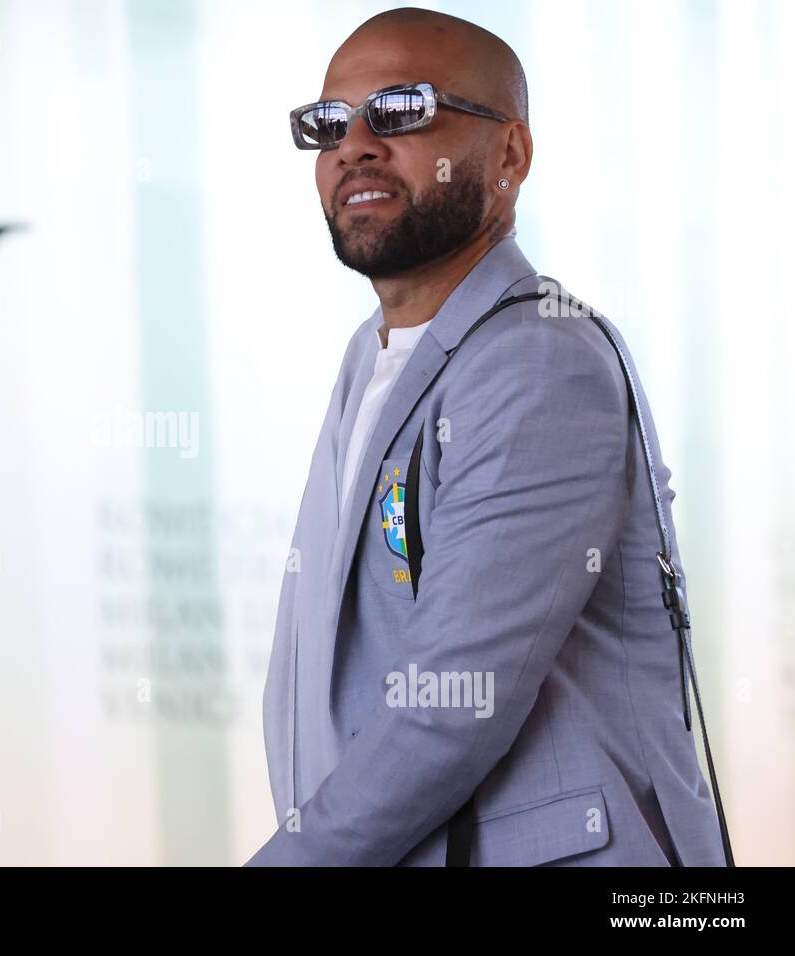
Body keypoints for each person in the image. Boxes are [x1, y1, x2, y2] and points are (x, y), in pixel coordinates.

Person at [247, 7, 729, 866]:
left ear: (510, 155)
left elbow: (445, 709)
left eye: (400, 109)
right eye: (329, 123)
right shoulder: (373, 356)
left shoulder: (540, 356)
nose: (354, 144)